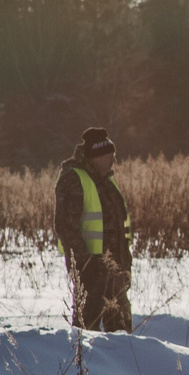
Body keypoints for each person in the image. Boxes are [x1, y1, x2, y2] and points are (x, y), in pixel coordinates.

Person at [56, 127, 133, 331]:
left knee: (122, 332)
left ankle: (120, 364)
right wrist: (85, 263)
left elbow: (120, 227)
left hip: (115, 271)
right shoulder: (73, 179)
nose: (113, 161)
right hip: (90, 270)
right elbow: (66, 227)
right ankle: (82, 364)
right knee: (85, 331)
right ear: (97, 156)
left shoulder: (107, 181)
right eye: (110, 156)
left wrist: (125, 265)